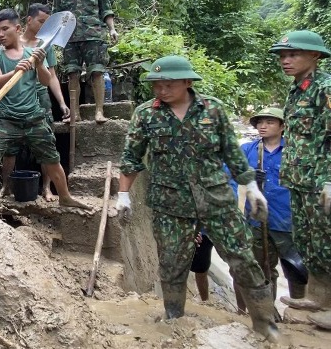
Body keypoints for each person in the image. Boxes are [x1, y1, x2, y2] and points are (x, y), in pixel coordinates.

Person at [117, 55, 280, 342]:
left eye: (169, 84)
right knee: (172, 263)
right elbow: (131, 156)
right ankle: (173, 320)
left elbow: (232, 153)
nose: (162, 90)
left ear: (188, 82)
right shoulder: (145, 114)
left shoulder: (213, 110)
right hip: (169, 203)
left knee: (242, 257)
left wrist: (251, 188)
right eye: (157, 85)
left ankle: (266, 324)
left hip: (215, 198)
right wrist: (123, 195)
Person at [0, 9, 90, 210]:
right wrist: (16, 69)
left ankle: (65, 197)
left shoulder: (34, 53)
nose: (0, 34)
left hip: (33, 118)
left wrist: (38, 64)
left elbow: (45, 81)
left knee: (52, 159)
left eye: (5, 29)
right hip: (5, 120)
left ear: (18, 28)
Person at [268, 30, 331, 329]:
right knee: (309, 241)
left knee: (328, 241)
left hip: (321, 182)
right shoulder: (297, 89)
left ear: (315, 56)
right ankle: (320, 298)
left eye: (293, 55)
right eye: (282, 56)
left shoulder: (325, 88)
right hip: (299, 180)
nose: (286, 61)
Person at [230, 107, 309, 318]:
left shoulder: (294, 151)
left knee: (296, 269)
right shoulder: (248, 150)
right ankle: (268, 312)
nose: (263, 126)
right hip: (257, 221)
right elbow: (229, 176)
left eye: (270, 122)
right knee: (263, 269)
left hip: (289, 220)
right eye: (260, 122)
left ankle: (298, 311)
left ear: (282, 127)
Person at [1, 4, 70, 201]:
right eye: (41, 21)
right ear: (29, 20)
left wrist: (62, 103)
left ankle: (46, 188)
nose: (44, 26)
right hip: (18, 97)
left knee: (46, 144)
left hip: (41, 97)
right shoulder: (14, 43)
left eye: (47, 23)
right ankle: (6, 186)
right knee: (10, 145)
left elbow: (53, 77)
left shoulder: (45, 45)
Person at [52, 0, 118, 124]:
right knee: (72, 74)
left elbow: (105, 8)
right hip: (70, 38)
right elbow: (56, 15)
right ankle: (75, 114)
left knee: (97, 72)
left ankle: (99, 111)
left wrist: (111, 28)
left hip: (94, 35)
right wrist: (55, 39)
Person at [190, 231, 214, 302]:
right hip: (203, 232)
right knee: (201, 269)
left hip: (226, 228)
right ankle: (205, 301)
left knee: (238, 269)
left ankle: (241, 311)